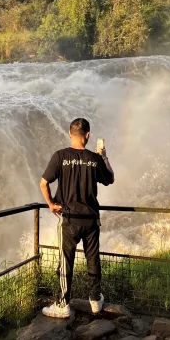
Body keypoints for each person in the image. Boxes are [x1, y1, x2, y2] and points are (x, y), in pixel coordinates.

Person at [39, 117, 115, 319]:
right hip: (91, 219)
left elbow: (43, 183)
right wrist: (104, 156)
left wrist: (50, 204)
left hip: (69, 219)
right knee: (93, 260)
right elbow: (110, 178)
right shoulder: (95, 159)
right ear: (88, 135)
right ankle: (95, 300)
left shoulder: (60, 156)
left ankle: (63, 304)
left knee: (66, 262)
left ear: (69, 133)